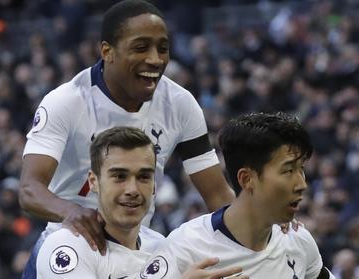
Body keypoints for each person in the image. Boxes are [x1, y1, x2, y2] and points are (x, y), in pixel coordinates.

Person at [19, 0, 234, 277]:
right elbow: (29, 189)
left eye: (163, 48)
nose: (156, 59)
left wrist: (260, 225)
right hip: (71, 239)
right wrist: (70, 211)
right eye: (141, 47)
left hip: (137, 245)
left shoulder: (181, 104)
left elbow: (217, 193)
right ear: (107, 51)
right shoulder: (66, 101)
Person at [138, 112, 336, 279]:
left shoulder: (298, 241)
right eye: (288, 171)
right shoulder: (186, 248)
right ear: (247, 178)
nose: (302, 184)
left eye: (301, 169)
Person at [36, 126, 246, 279]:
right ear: (94, 182)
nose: (132, 190)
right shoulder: (66, 246)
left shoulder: (162, 247)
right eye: (119, 176)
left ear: (155, 184)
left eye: (144, 177)